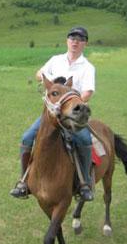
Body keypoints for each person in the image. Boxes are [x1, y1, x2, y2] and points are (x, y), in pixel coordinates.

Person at [9, 26, 96, 201]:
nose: (75, 42)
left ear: (84, 44)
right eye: (72, 38)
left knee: (85, 140)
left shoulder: (87, 67)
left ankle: (85, 184)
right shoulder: (56, 60)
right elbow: (38, 73)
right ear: (67, 41)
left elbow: (88, 92)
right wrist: (46, 80)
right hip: (51, 113)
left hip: (73, 115)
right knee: (27, 138)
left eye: (79, 39)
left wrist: (74, 104)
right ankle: (24, 181)